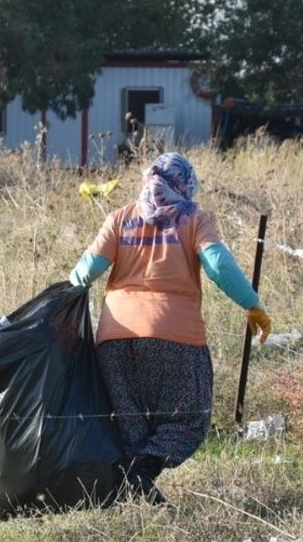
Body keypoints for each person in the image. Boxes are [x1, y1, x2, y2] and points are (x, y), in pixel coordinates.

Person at [68, 152, 271, 503]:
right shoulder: (193, 220)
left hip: (114, 338)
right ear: (184, 184)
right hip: (174, 336)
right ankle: (143, 472)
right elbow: (219, 266)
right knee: (190, 417)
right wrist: (252, 304)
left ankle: (135, 493)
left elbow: (84, 272)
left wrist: (54, 309)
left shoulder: (121, 218)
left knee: (130, 423)